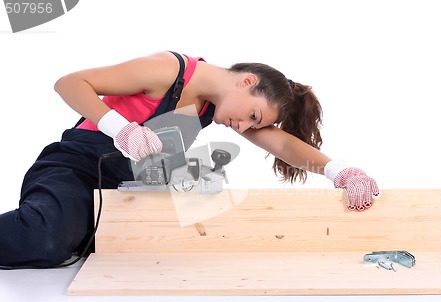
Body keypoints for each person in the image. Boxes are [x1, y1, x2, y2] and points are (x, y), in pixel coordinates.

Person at [0, 50, 379, 268]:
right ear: (247, 81)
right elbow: (69, 82)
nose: (246, 127)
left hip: (116, 191)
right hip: (74, 168)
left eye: (254, 124)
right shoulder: (169, 69)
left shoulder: (216, 106)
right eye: (253, 116)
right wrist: (121, 128)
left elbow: (282, 146)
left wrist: (339, 171)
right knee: (45, 240)